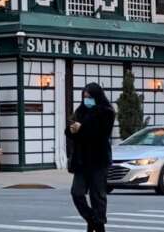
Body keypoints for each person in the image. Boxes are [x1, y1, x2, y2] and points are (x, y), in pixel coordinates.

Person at [66, 82, 115, 232]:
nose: (86, 99)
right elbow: (69, 130)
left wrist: (82, 128)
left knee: (97, 195)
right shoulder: (80, 111)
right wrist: (72, 129)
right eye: (84, 96)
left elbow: (101, 134)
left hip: (99, 160)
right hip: (81, 161)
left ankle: (97, 225)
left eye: (89, 97)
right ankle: (94, 220)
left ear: (96, 96)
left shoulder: (107, 112)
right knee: (77, 193)